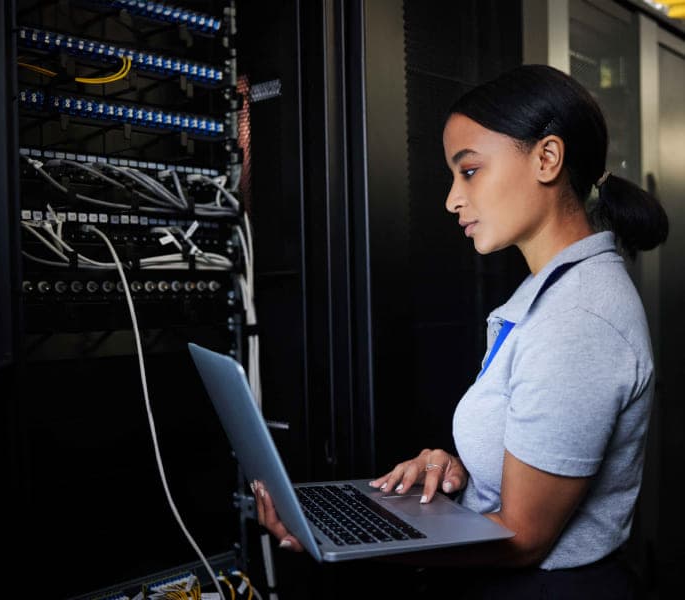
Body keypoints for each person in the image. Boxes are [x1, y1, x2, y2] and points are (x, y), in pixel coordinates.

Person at [252, 64, 668, 598]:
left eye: (468, 171)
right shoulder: (555, 297)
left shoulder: (578, 318)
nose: (452, 199)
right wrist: (457, 470)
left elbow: (523, 540)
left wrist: (361, 541)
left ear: (547, 158)